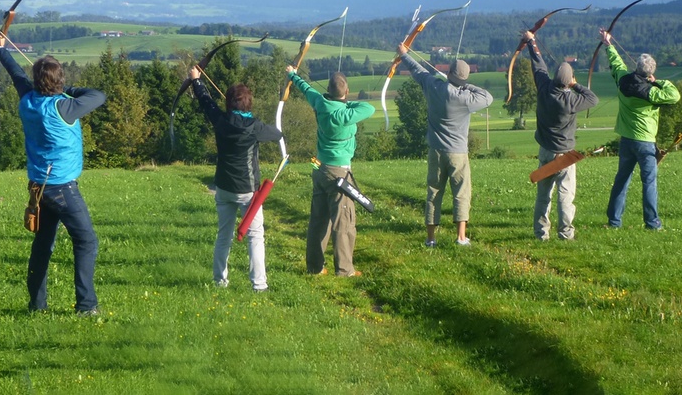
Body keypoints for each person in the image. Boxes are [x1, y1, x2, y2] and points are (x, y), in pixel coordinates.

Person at [0, 33, 106, 315]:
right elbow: (98, 96)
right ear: (58, 81)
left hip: (39, 187)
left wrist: (0, 49)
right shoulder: (65, 106)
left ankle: (36, 305)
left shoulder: (28, 99)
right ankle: (86, 305)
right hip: (62, 188)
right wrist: (68, 88)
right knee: (87, 241)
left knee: (43, 245)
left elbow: (17, 74)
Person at [189, 68, 283, 291]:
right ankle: (259, 284)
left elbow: (206, 101)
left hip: (223, 188)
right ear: (248, 105)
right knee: (255, 236)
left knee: (224, 236)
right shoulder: (255, 127)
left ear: (229, 104)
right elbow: (277, 134)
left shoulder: (220, 120)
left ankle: (219, 281)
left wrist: (196, 81)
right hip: (248, 191)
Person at [397, 44, 493, 247]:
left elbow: (418, 70)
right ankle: (460, 237)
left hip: (436, 150)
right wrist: (465, 85)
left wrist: (404, 54)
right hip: (458, 152)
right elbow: (488, 97)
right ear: (464, 79)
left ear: (448, 73)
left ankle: (431, 238)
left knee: (434, 192)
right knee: (461, 193)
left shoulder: (434, 87)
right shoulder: (466, 97)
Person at [285, 66, 375, 276]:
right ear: (346, 91)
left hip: (318, 166)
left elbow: (305, 88)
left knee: (318, 219)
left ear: (327, 89)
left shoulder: (319, 102)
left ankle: (314, 268)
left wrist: (292, 74)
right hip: (338, 172)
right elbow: (368, 108)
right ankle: (344, 270)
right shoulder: (345, 114)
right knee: (343, 222)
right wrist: (344, 103)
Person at [599, 29, 680, 230]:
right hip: (645, 142)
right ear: (649, 73)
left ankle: (614, 222)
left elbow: (616, 64)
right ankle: (652, 223)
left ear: (636, 69)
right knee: (649, 182)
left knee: (622, 181)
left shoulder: (623, 80)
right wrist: (658, 81)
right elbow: (674, 95)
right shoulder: (652, 92)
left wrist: (608, 44)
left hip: (626, 140)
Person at [523, 31, 599, 241]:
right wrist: (576, 85)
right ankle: (565, 234)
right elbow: (592, 99)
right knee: (565, 195)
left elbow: (538, 64)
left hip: (546, 151)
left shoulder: (544, 87)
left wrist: (531, 42)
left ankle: (541, 234)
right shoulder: (571, 100)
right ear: (568, 82)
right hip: (564, 155)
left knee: (543, 195)